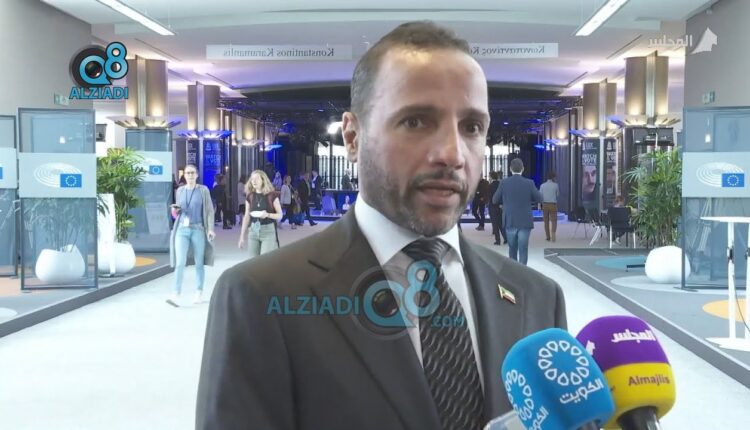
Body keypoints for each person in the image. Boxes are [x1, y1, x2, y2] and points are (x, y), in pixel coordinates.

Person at [197, 21, 566, 430]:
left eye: (472, 127)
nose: (452, 154)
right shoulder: (260, 295)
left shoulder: (537, 297)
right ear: (352, 137)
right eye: (416, 121)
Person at [168, 165, 215, 307]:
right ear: (184, 175)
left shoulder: (203, 190)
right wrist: (175, 211)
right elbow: (176, 214)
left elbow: (209, 210)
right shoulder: (180, 191)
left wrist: (210, 229)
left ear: (197, 175)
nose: (190, 175)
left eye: (192, 173)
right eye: (187, 173)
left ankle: (199, 292)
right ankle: (176, 293)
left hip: (198, 228)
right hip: (182, 229)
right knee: (180, 262)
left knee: (199, 262)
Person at [492, 158, 543, 265]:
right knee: (523, 249)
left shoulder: (504, 183)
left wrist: (505, 201)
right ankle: (522, 272)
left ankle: (514, 272)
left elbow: (494, 200)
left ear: (510, 169)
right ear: (523, 169)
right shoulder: (529, 183)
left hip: (510, 219)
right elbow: (539, 198)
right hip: (525, 220)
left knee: (512, 248)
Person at [238, 170, 283, 257]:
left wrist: (268, 215)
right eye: (252, 179)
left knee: (264, 261)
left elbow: (280, 215)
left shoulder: (272, 195)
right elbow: (246, 216)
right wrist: (242, 236)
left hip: (268, 231)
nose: (254, 181)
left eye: (257, 179)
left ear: (263, 180)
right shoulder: (250, 196)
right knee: (253, 261)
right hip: (253, 231)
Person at [540, 170, 560, 242]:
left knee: (546, 221)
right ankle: (553, 235)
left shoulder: (542, 185)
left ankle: (548, 236)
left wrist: (539, 205)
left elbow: (540, 196)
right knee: (554, 221)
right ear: (553, 177)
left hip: (545, 204)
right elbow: (558, 194)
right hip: (553, 205)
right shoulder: (555, 185)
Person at [488, 171, 506, 245]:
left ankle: (497, 240)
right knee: (501, 223)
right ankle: (506, 238)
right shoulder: (501, 185)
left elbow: (490, 197)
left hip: (493, 206)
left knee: (495, 224)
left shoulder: (490, 186)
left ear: (491, 177)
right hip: (500, 206)